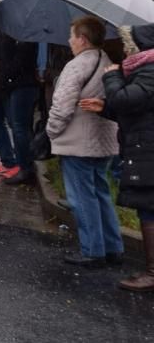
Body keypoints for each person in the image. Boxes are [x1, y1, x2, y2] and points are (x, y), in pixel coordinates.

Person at [45, 16, 123, 267]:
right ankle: (113, 247)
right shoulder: (107, 61)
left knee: (82, 196)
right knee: (101, 193)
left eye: (71, 36)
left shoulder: (76, 66)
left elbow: (62, 107)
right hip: (104, 141)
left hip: (78, 141)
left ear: (82, 39)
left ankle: (92, 250)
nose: (69, 41)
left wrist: (51, 132)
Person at [88, 24, 154, 291]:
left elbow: (126, 101)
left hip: (148, 150)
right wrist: (105, 109)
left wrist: (112, 77)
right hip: (144, 145)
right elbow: (136, 110)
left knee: (149, 209)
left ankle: (152, 273)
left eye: (128, 45)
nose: (125, 50)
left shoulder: (149, 71)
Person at [0, 31, 39, 185]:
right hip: (11, 84)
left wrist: (6, 76)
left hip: (21, 84)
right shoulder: (5, 33)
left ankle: (25, 166)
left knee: (19, 126)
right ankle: (20, 164)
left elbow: (19, 61)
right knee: (16, 126)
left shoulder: (24, 36)